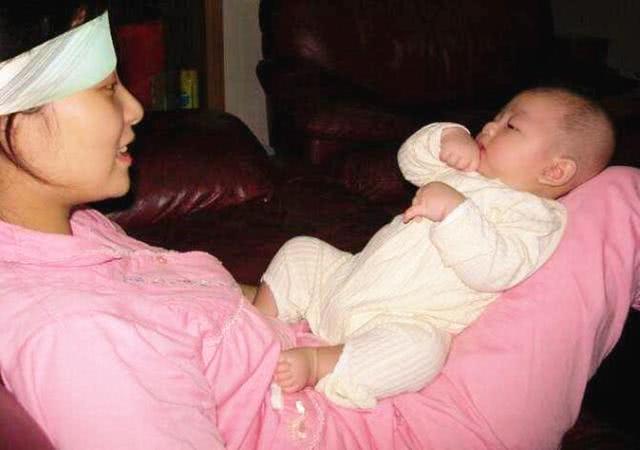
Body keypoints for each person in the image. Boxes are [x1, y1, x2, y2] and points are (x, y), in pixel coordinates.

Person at [1, 3, 637, 450]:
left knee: (614, 189)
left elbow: (180, 312)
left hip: (343, 331)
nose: (137, 107)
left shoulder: (66, 231)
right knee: (622, 193)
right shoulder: (76, 334)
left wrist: (274, 305)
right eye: (107, 88)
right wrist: (447, 147)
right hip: (400, 426)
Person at [252, 87, 615, 408]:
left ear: (555, 171)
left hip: (398, 320)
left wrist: (456, 212)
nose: (490, 127)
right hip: (346, 280)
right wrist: (446, 137)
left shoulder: (536, 218)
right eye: (496, 117)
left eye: (511, 126)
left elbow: (496, 270)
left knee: (423, 353)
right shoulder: (469, 170)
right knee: (302, 251)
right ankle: (259, 324)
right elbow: (410, 163)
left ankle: (321, 363)